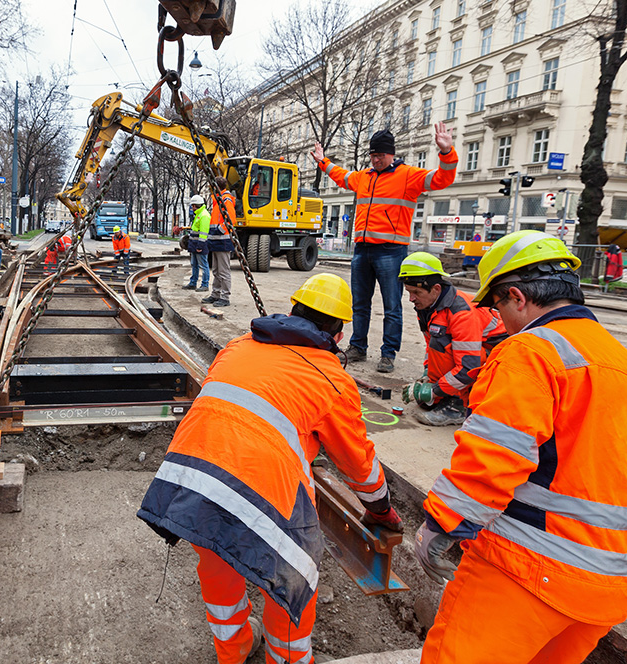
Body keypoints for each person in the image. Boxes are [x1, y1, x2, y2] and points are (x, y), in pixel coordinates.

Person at [414, 230, 627, 664]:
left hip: (528, 570)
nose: (499, 321)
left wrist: (441, 526)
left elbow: (495, 453)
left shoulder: (532, 352)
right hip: (611, 586)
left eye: (496, 306)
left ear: (516, 297)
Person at [139, 274, 402, 664]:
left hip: (189, 479)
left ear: (292, 309)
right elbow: (357, 462)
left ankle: (235, 649)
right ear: (339, 334)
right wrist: (381, 509)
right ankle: (288, 659)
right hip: (259, 488)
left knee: (217, 561)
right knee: (292, 580)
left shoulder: (237, 346)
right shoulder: (333, 379)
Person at [311, 123, 458, 374]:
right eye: (373, 155)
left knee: (392, 306)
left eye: (380, 155)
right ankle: (358, 346)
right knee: (360, 303)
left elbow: (443, 178)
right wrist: (323, 161)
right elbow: (342, 175)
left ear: (391, 154)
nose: (376, 159)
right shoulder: (364, 177)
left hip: (391, 251)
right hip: (362, 250)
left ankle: (388, 353)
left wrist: (447, 152)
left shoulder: (409, 176)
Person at [397, 251, 507, 426]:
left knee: (444, 345)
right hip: (480, 353)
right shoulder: (427, 307)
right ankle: (448, 396)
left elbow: (469, 366)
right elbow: (430, 347)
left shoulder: (461, 312)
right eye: (409, 292)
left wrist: (434, 391)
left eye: (416, 292)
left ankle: (457, 406)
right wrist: (428, 376)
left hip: (500, 357)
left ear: (436, 289)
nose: (411, 299)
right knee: (438, 344)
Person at [204, 176, 235, 307]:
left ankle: (225, 297)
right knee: (216, 270)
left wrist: (220, 230)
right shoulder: (218, 200)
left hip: (223, 241)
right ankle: (216, 294)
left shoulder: (225, 200)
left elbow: (231, 220)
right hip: (217, 241)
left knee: (223, 271)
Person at [182, 194, 210, 292]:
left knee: (203, 265)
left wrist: (200, 246)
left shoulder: (204, 215)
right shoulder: (199, 214)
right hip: (194, 245)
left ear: (195, 205)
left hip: (199, 245)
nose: (191, 207)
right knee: (194, 264)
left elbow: (203, 233)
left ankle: (205, 284)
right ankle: (193, 283)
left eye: (192, 205)